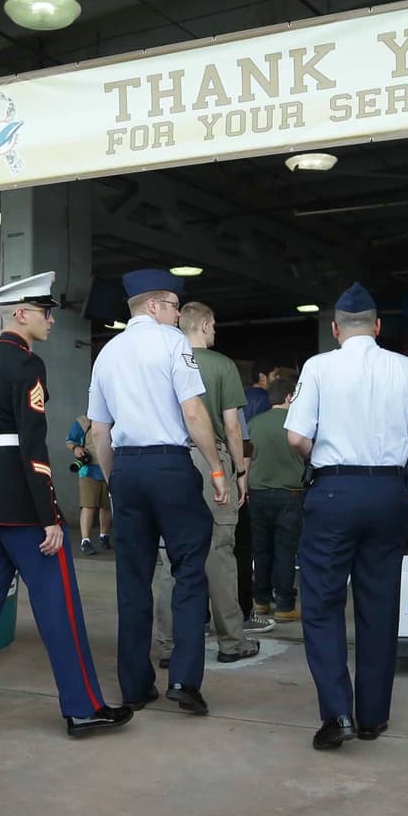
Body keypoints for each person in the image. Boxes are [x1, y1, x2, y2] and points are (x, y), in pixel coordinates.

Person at [0, 271, 131, 738]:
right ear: (20, 314)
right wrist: (49, 515)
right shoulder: (27, 366)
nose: (51, 319)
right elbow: (31, 445)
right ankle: (83, 706)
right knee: (58, 606)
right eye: (44, 312)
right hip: (22, 504)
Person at [285, 283, 408, 751]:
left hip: (335, 490)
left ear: (335, 329)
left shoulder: (319, 367)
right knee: (379, 606)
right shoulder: (407, 368)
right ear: (378, 327)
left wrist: (328, 458)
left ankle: (337, 711)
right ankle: (372, 717)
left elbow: (296, 437)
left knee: (321, 604)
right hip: (388, 491)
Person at [88, 269, 228, 715]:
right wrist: (218, 469)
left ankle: (134, 685)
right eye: (173, 306)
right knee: (189, 566)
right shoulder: (172, 343)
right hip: (170, 465)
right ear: (154, 305)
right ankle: (185, 678)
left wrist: (114, 479)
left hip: (126, 470)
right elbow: (193, 412)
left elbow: (99, 431)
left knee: (132, 578)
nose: (176, 314)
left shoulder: (106, 353)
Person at [168, 301, 259, 662]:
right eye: (215, 325)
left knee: (169, 554)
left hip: (171, 459)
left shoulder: (166, 360)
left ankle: (166, 644)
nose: (215, 331)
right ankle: (231, 642)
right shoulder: (222, 365)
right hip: (211, 461)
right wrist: (238, 471)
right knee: (220, 551)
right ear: (204, 325)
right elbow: (233, 426)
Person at [249, 375, 305, 623]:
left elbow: (245, 459)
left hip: (257, 495)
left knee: (261, 550)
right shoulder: (298, 424)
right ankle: (284, 605)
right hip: (290, 496)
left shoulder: (253, 424)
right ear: (289, 397)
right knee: (285, 551)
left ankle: (260, 601)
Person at [66, 414, 112, 555]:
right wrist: (76, 449)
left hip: (109, 469)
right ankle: (85, 540)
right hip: (88, 470)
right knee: (88, 505)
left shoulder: (113, 419)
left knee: (106, 505)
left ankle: (104, 536)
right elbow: (70, 441)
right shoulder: (82, 422)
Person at [243, 359, 276, 424]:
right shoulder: (268, 400)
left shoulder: (242, 396)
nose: (278, 378)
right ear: (262, 377)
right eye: (275, 375)